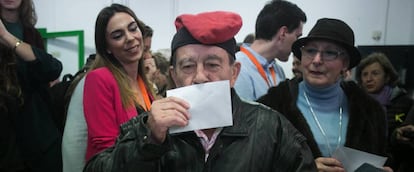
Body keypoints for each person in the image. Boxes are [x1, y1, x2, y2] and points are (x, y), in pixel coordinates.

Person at [83, 11, 316, 172]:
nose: (200, 77)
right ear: (174, 75)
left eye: (213, 65)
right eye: (188, 66)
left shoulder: (270, 128)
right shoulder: (148, 126)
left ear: (234, 73)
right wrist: (148, 141)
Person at [257, 18, 391, 171]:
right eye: (310, 51)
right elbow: (254, 164)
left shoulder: (371, 112)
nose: (317, 60)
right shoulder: (271, 108)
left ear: (345, 63)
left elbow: (382, 155)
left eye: (329, 53)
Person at [82, 3, 154, 161]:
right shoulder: (99, 79)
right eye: (117, 36)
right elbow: (106, 149)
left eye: (133, 28)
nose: (130, 38)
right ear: (107, 47)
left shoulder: (143, 82)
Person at [0, 0, 63, 171]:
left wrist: (6, 37)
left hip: (39, 133)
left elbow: (53, 68)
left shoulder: (31, 34)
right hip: (7, 137)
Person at [234, 0, 306, 101]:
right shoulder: (238, 68)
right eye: (297, 36)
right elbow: (240, 116)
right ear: (283, 33)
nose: (297, 44)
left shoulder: (278, 70)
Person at [356, 52, 414, 171]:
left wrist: (397, 135)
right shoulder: (354, 103)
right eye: (364, 74)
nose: (369, 79)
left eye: (375, 73)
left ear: (387, 76)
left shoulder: (404, 103)